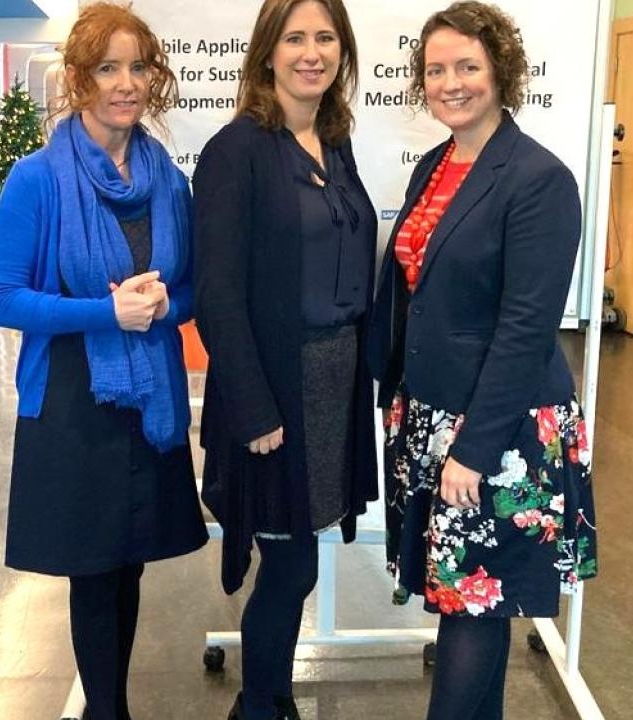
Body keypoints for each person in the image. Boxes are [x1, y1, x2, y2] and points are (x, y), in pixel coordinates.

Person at [367, 3, 599, 718]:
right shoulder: (438, 165)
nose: (450, 83)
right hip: (435, 412)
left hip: (500, 433)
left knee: (473, 604)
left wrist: (473, 447)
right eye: (435, 70)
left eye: (467, 66)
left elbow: (527, 327)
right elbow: (416, 291)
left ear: (500, 72)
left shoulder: (539, 179)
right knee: (465, 597)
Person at [0, 3, 207, 718]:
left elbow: (194, 285)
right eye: (108, 67)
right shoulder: (38, 179)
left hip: (151, 390)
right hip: (77, 396)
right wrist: (103, 313)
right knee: (93, 567)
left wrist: (167, 306)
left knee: (130, 557)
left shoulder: (168, 181)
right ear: (79, 79)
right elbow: (2, 297)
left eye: (138, 66)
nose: (126, 83)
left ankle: (113, 702)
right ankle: (106, 711)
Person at [193, 1, 378, 717]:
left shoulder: (335, 143)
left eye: (325, 37)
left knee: (300, 556)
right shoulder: (237, 150)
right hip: (274, 389)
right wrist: (251, 405)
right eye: (294, 37)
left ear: (343, 51)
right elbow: (218, 292)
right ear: (266, 53)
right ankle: (261, 704)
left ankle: (271, 697)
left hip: (332, 381)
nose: (311, 52)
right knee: (291, 562)